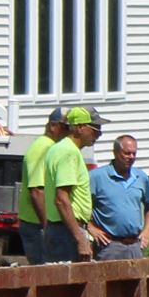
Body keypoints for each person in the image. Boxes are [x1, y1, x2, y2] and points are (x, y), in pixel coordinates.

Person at [47, 106, 102, 262]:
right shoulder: (69, 152)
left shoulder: (59, 148)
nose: (99, 135)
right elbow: (61, 199)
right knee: (69, 284)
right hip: (67, 232)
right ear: (79, 127)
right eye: (95, 129)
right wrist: (80, 239)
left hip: (62, 228)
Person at [89, 133, 149, 260]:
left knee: (136, 279)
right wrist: (91, 228)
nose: (131, 157)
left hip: (135, 245)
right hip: (109, 245)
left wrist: (147, 230)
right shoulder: (97, 177)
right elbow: (79, 207)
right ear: (115, 152)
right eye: (126, 153)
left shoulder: (141, 177)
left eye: (134, 154)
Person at [17, 107, 70, 264]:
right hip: (37, 225)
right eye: (66, 127)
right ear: (53, 126)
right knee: (45, 275)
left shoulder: (53, 147)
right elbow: (37, 191)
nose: (70, 132)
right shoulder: (43, 148)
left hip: (39, 224)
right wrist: (48, 228)